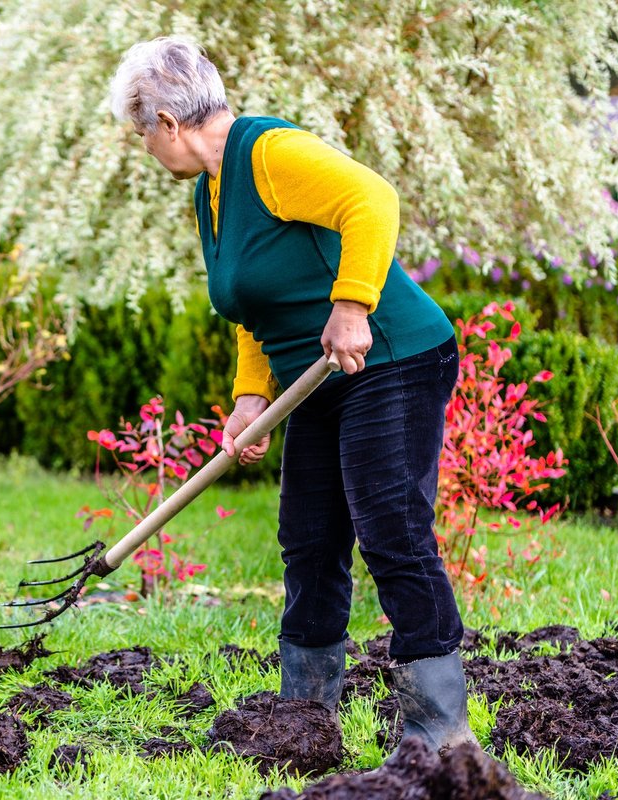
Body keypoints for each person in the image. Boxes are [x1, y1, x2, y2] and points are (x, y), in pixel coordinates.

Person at [109, 35, 476, 756]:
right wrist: (250, 397)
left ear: (168, 123)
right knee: (309, 540)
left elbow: (372, 200)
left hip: (393, 358)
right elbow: (255, 304)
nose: (144, 149)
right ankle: (304, 718)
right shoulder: (209, 193)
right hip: (320, 374)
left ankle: (439, 732)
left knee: (392, 532)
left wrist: (352, 303)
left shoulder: (270, 154)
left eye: (141, 133)